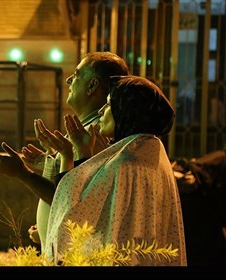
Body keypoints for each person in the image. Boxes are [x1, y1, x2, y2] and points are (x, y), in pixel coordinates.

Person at [38, 75, 187, 266]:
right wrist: (82, 153)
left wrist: (67, 156)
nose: (101, 111)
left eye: (109, 105)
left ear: (126, 111)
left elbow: (74, 220)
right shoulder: (150, 152)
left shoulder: (126, 164)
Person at [0, 52, 129, 249]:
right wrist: (49, 161)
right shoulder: (86, 130)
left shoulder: (93, 135)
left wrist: (22, 173)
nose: (69, 79)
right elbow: (70, 182)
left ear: (92, 86)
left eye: (77, 74)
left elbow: (73, 203)